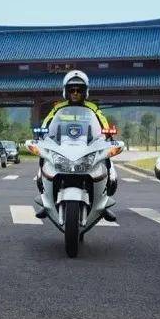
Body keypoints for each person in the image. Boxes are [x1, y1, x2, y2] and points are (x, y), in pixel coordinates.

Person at [38, 70, 117, 222]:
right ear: (66, 91)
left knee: (106, 158)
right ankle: (46, 200)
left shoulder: (92, 108)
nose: (75, 93)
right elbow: (47, 122)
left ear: (85, 92)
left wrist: (107, 134)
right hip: (62, 144)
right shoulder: (58, 108)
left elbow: (102, 122)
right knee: (43, 156)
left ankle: (103, 203)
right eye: (72, 90)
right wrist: (43, 133)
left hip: (87, 144)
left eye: (79, 90)